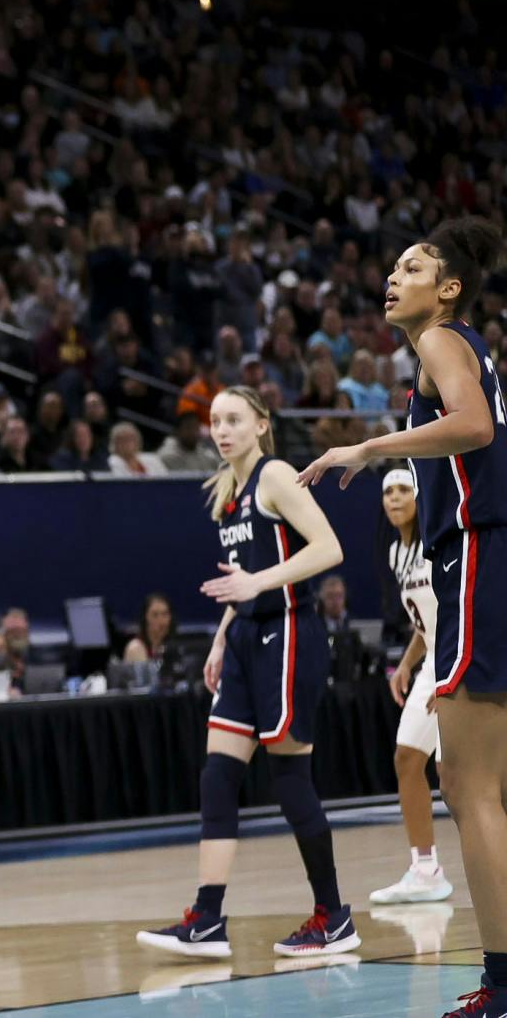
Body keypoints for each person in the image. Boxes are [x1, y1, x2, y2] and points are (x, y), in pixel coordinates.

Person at [301, 218, 507, 1018]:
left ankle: (502, 984)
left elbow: (475, 425)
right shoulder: (463, 343)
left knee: (468, 781)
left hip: (478, 557)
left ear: (448, 286)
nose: (393, 276)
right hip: (484, 557)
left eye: (412, 266)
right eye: (391, 266)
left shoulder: (443, 340)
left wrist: (369, 447)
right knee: (485, 782)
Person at [138, 386, 357, 961]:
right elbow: (244, 578)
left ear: (262, 425)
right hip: (243, 640)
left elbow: (329, 548)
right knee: (217, 776)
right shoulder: (227, 492)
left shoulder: (276, 475)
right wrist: (218, 639)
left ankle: (333, 916)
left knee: (289, 780)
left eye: (234, 419)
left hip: (287, 633)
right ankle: (207, 918)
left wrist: (257, 585)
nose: (222, 429)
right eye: (215, 421)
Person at [367, 468, 456, 907]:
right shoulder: (395, 554)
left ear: (420, 498)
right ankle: (426, 869)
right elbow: (426, 624)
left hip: (460, 661)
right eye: (388, 492)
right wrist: (405, 665)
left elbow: (458, 612)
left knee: (454, 775)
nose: (395, 498)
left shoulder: (438, 544)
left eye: (404, 489)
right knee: (407, 758)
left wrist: (453, 673)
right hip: (432, 664)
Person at [122, 593, 176, 664]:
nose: (161, 621)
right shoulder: (136, 648)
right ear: (145, 618)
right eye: (155, 615)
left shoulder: (169, 648)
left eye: (165, 614)